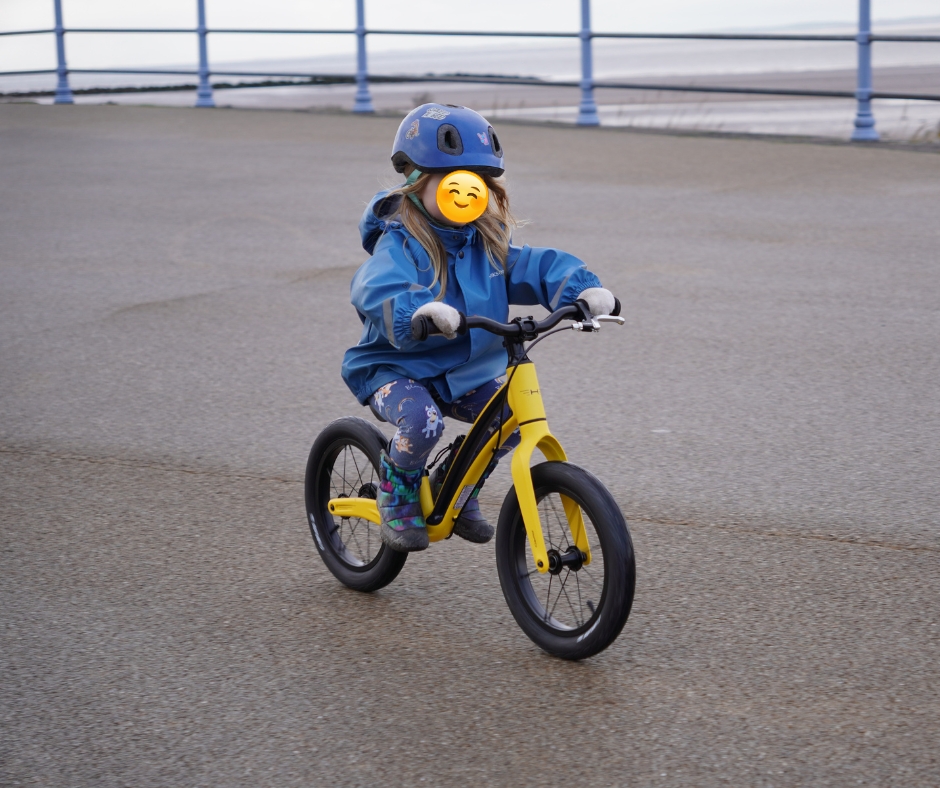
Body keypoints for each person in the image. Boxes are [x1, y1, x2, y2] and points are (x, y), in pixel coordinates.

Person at [341, 103, 615, 553]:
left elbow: (532, 264)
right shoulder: (401, 242)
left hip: (461, 372)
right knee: (422, 421)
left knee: (506, 418)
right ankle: (397, 493)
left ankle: (456, 484)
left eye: (478, 183)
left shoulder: (484, 242)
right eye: (454, 182)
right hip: (395, 368)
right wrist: (417, 313)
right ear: (418, 183)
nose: (468, 193)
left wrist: (581, 291)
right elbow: (375, 285)